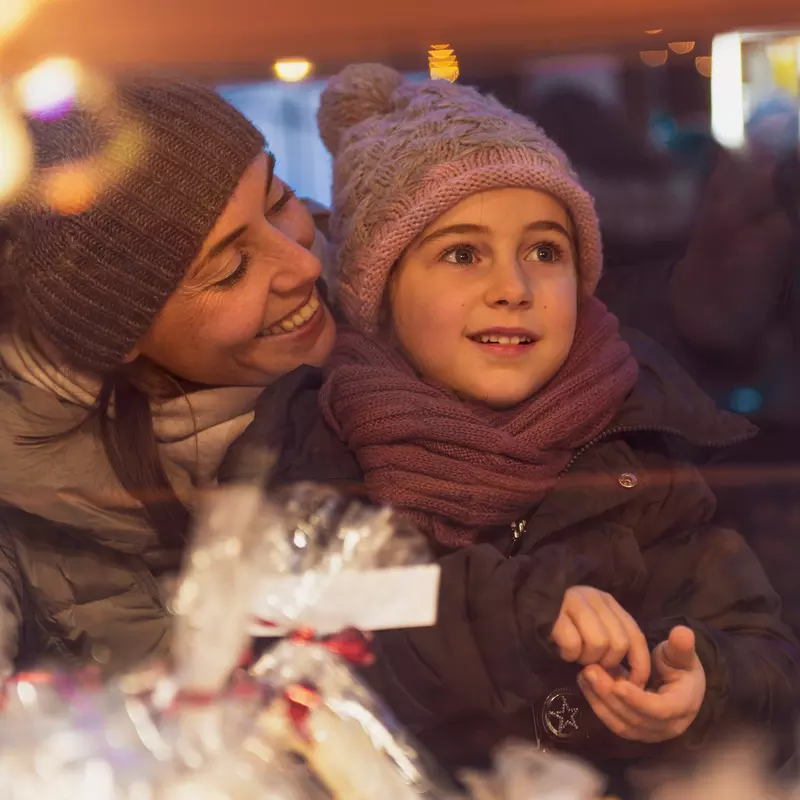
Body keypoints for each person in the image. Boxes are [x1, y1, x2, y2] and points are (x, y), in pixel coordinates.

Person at [224, 65, 799, 787]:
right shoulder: (316, 444)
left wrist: (702, 691)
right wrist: (523, 609)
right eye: (462, 254)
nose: (513, 288)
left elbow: (766, 658)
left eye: (545, 251)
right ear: (382, 291)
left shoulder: (638, 443)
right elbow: (300, 638)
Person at [0, 76, 337, 676]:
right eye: (231, 267)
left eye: (278, 198)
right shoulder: (30, 527)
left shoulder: (409, 316)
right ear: (121, 332)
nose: (305, 263)